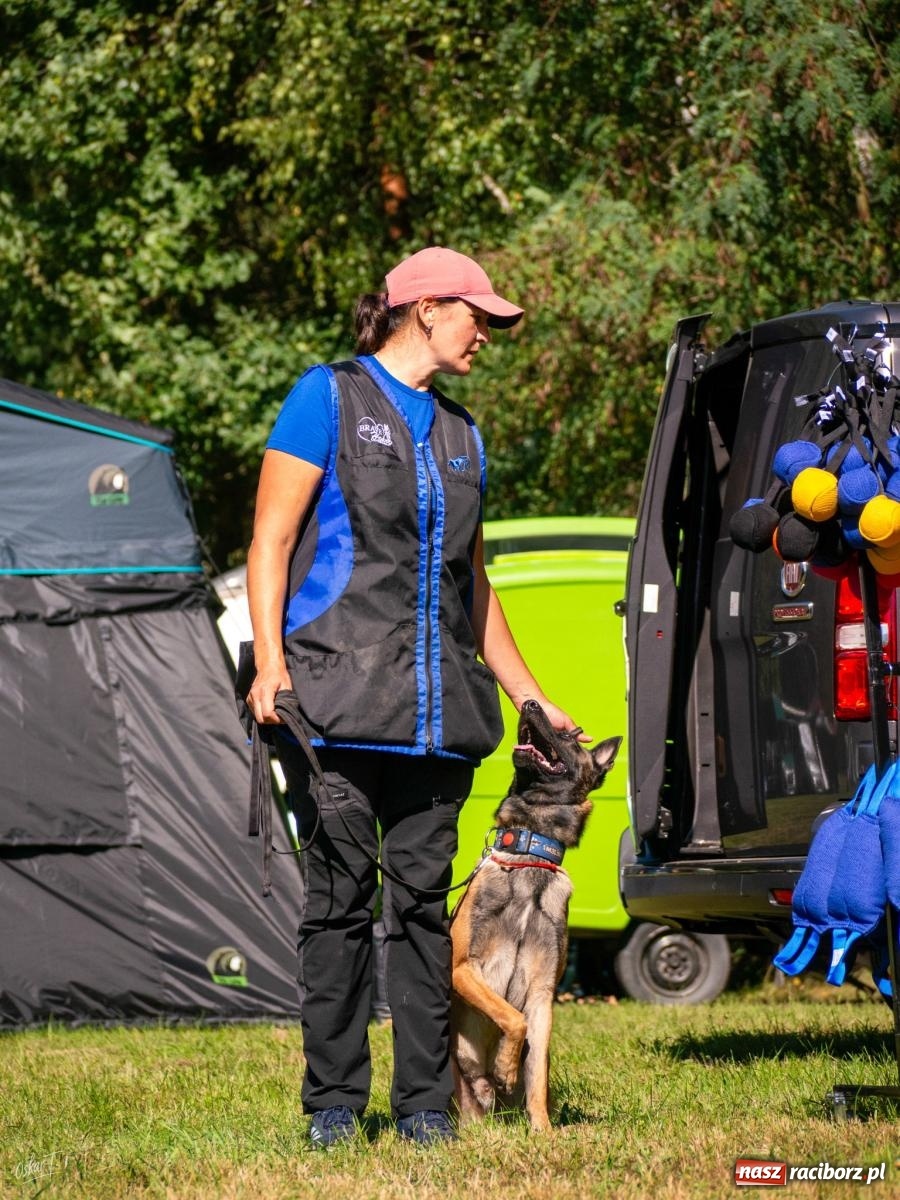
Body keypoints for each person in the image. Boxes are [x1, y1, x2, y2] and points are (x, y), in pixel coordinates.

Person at [245, 246, 588, 1148]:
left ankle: (427, 1108)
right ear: (426, 308)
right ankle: (333, 1108)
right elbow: (271, 540)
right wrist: (270, 662)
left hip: (440, 731)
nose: (489, 332)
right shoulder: (327, 397)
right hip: (338, 710)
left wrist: (532, 696)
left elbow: (475, 586)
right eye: (478, 314)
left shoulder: (464, 434)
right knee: (339, 912)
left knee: (426, 921)